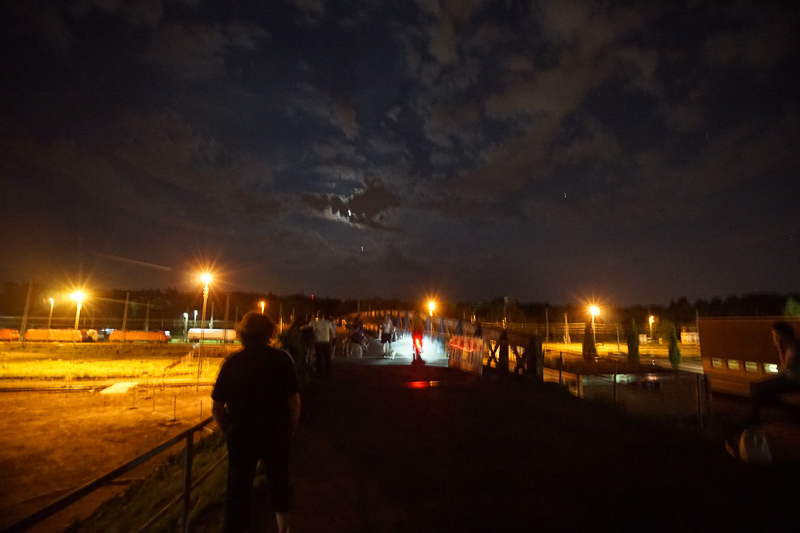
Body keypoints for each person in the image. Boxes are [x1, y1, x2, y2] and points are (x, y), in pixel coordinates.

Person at [211, 312, 301, 533]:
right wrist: (289, 429)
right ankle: (284, 529)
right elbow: (294, 401)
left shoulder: (232, 363)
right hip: (276, 432)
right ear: (269, 333)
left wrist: (229, 430)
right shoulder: (282, 359)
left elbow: (217, 407)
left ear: (242, 334)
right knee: (280, 482)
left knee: (238, 489)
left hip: (241, 434)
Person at [748, 321, 800, 425]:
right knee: (757, 388)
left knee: (757, 389)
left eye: (775, 335)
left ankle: (754, 419)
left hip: (794, 380)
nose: (773, 338)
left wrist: (779, 348)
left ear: (781, 336)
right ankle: (790, 411)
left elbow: (786, 368)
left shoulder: (792, 348)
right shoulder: (793, 344)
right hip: (791, 377)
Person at [308, 310, 336, 376]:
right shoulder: (328, 323)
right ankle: (328, 372)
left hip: (317, 342)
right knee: (327, 357)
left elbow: (307, 329)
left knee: (319, 358)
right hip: (326, 341)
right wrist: (330, 341)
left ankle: (319, 372)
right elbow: (332, 333)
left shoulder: (313, 323)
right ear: (323, 316)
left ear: (317, 316)